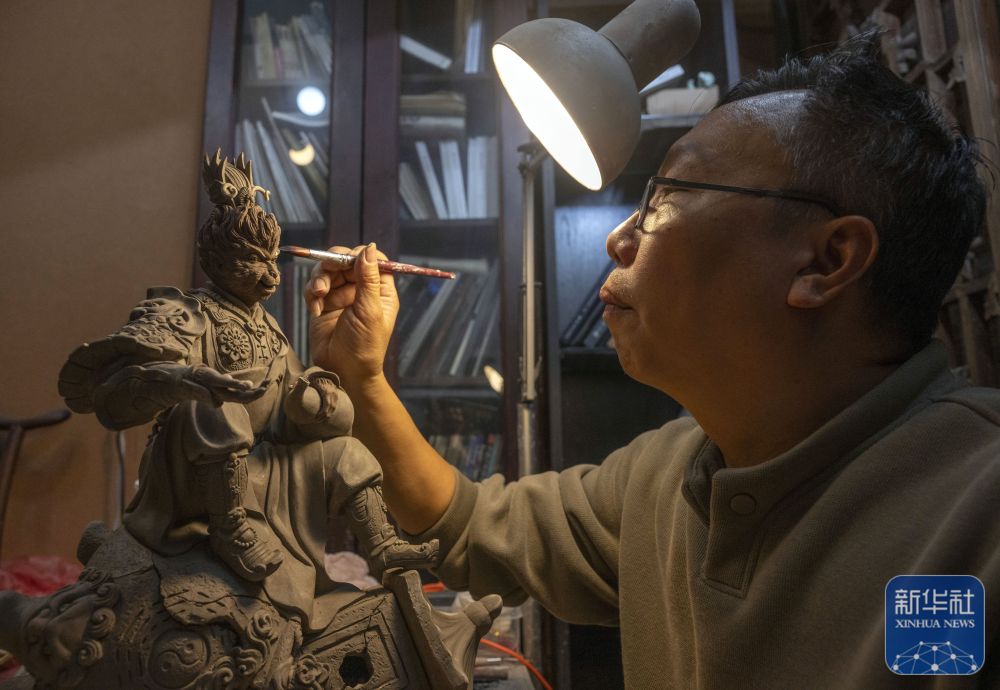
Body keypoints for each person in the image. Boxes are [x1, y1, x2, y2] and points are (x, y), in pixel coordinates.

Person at [305, 36, 999, 688]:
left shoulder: (976, 518)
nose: (618, 239)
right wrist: (360, 377)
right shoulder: (667, 474)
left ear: (825, 260)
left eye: (667, 198)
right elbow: (465, 526)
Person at [58, 151, 437, 625]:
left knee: (347, 451)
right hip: (195, 480)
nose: (271, 274)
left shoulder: (268, 327)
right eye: (253, 261)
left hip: (267, 469)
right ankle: (230, 527)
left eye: (272, 260)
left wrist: (314, 398)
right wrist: (187, 380)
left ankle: (382, 545)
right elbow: (115, 401)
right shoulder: (184, 314)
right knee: (217, 406)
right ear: (218, 261)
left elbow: (292, 401)